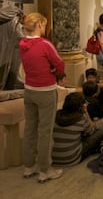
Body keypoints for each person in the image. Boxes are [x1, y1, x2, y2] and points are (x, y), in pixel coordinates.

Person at [20, 12, 65, 183]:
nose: (45, 28)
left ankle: (28, 166)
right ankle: (45, 170)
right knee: (45, 131)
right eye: (44, 25)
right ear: (39, 24)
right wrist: (57, 73)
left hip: (29, 90)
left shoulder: (22, 43)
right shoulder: (45, 44)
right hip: (45, 91)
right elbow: (59, 63)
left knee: (30, 128)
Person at [52, 92, 103, 167]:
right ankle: (98, 148)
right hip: (71, 159)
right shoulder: (80, 118)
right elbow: (92, 131)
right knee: (102, 131)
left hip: (53, 158)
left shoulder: (55, 115)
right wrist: (86, 112)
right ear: (80, 107)